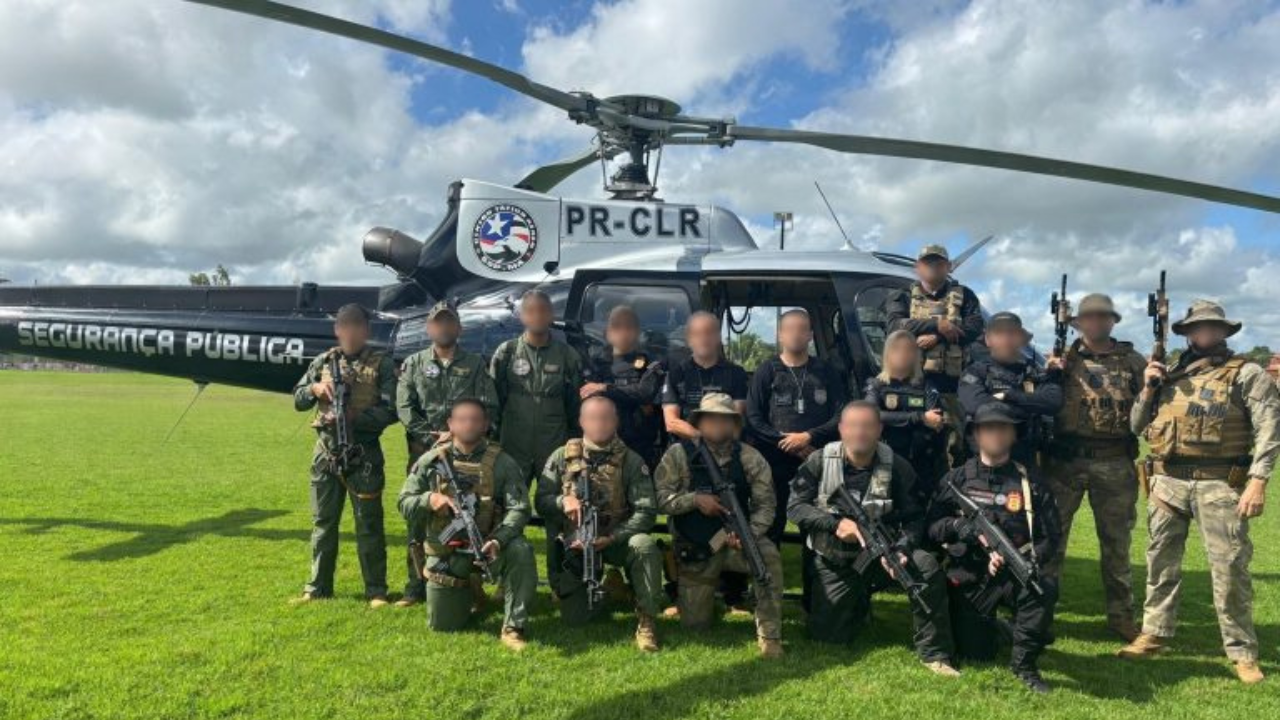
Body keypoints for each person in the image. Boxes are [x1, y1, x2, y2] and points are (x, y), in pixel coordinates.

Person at [1118, 300, 1279, 684]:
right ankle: (1154, 633)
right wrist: (1148, 387)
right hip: (1167, 482)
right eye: (1197, 326)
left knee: (1230, 568)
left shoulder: (1247, 373)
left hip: (1220, 483)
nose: (1204, 332)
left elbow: (1270, 429)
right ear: (1187, 332)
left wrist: (1258, 480)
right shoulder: (1169, 374)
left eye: (1212, 326)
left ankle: (1242, 651)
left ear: (1224, 331)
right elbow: (1135, 426)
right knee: (1160, 562)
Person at [789, 400, 959, 677]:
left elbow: (917, 517)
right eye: (853, 426)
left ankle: (935, 653)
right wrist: (834, 524)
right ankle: (857, 604)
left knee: (926, 567)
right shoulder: (819, 460)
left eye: (867, 426)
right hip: (836, 559)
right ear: (841, 429)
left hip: (884, 557)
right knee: (827, 638)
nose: (860, 432)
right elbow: (795, 507)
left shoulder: (898, 466)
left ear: (879, 430)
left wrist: (903, 547)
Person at [927, 402, 1061, 693]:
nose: (996, 434)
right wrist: (959, 527)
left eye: (1003, 428)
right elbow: (932, 527)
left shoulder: (1031, 481)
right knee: (976, 653)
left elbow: (1051, 536)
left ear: (1014, 434)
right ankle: (1008, 630)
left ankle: (1024, 666)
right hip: (970, 573)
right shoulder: (957, 479)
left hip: (1014, 572)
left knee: (1042, 589)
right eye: (988, 428)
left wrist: (1029, 558)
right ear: (976, 434)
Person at [1043, 294, 1145, 640]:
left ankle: (1121, 617)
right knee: (1052, 541)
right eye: (1089, 317)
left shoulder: (1132, 361)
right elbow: (1043, 399)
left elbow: (1150, 406)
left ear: (1113, 321)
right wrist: (1049, 373)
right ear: (1078, 323)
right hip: (1065, 461)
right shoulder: (1063, 358)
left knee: (1116, 544)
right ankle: (1041, 613)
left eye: (1103, 317)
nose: (1096, 322)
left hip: (1114, 460)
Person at [396, 399, 536, 650]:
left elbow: (520, 508)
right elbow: (403, 502)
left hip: (489, 549)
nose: (468, 425)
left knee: (521, 550)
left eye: (475, 420)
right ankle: (471, 589)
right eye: (462, 420)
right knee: (443, 625)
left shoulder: (503, 462)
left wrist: (499, 540)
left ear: (485, 425)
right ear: (450, 424)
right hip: (447, 552)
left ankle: (513, 627)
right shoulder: (431, 461)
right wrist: (430, 499)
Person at [654, 393, 784, 659]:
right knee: (695, 625)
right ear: (699, 422)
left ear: (734, 425)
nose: (718, 424)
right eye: (711, 418)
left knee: (767, 559)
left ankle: (770, 635)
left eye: (725, 419)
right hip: (698, 547)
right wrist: (694, 500)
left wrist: (749, 534)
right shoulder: (678, 454)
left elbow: (766, 505)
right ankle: (699, 597)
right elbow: (660, 500)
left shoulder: (750, 457)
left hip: (737, 544)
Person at [536, 395, 666, 651]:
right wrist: (563, 501)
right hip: (577, 546)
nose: (599, 424)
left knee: (644, 545)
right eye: (593, 418)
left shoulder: (631, 461)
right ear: (581, 421)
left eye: (606, 418)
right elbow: (541, 500)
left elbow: (646, 511)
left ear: (616, 422)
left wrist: (614, 537)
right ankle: (611, 589)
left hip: (616, 541)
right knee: (576, 619)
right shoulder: (562, 456)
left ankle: (647, 620)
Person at [290, 303, 397, 608]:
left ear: (366, 330)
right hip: (326, 453)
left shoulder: (382, 364)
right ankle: (317, 587)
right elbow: (298, 399)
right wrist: (314, 389)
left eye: (356, 327)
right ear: (337, 330)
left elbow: (392, 410)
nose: (350, 333)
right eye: (345, 327)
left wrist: (355, 419)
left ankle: (376, 590)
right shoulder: (323, 362)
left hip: (364, 455)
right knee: (323, 522)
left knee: (369, 524)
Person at [394, 300, 499, 608]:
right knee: (419, 517)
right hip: (424, 453)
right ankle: (415, 585)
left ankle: (469, 582)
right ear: (429, 328)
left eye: (449, 322)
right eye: (438, 322)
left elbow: (489, 405)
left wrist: (456, 433)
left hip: (465, 454)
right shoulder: (414, 363)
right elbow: (404, 406)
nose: (444, 327)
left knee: (468, 516)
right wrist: (430, 435)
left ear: (459, 328)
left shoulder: (475, 364)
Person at [491, 289, 583, 588]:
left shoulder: (567, 356)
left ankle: (560, 582)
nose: (538, 316)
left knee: (557, 513)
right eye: (531, 311)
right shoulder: (506, 353)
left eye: (543, 310)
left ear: (551, 315)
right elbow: (494, 402)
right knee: (509, 512)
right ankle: (507, 583)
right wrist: (493, 444)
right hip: (513, 447)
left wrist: (574, 446)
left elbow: (575, 406)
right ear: (522, 316)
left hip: (553, 448)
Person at [745, 308, 847, 544]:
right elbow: (753, 418)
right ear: (780, 334)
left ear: (810, 335)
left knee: (816, 524)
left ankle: (815, 568)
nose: (796, 334)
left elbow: (841, 415)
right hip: (775, 461)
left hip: (816, 458)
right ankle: (768, 567)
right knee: (772, 522)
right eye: (790, 329)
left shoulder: (826, 371)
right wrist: (787, 441)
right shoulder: (767, 371)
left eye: (802, 329)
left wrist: (808, 437)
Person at [885, 244, 984, 459]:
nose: (932, 267)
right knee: (911, 445)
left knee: (955, 447)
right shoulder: (902, 296)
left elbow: (975, 327)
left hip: (952, 386)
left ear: (948, 267)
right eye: (927, 262)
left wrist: (939, 337)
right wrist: (937, 325)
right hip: (910, 386)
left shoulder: (965, 296)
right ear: (917, 267)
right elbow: (894, 326)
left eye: (938, 263)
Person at [958, 312, 1063, 467]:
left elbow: (1053, 402)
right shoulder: (975, 372)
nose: (1006, 339)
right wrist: (1029, 406)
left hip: (1026, 461)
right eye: (999, 333)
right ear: (988, 340)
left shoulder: (1033, 372)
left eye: (1012, 333)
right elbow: (976, 405)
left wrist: (1009, 396)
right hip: (983, 466)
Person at [864, 329, 949, 503]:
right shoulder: (877, 385)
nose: (903, 354)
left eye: (908, 349)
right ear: (887, 353)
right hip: (886, 460)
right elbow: (872, 416)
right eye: (897, 349)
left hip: (921, 461)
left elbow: (935, 419)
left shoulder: (926, 385)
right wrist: (919, 417)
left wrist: (893, 418)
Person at [580, 305, 665, 469]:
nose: (623, 332)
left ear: (638, 331)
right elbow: (589, 396)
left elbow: (645, 392)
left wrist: (605, 389)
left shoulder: (650, 362)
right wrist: (629, 396)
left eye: (629, 327)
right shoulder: (595, 363)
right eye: (617, 326)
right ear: (607, 332)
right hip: (603, 444)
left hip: (640, 444)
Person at [662, 311, 750, 442]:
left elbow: (738, 416)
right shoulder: (676, 374)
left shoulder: (736, 373)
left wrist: (715, 442)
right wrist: (700, 438)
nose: (704, 339)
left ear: (718, 337)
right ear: (689, 340)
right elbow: (671, 423)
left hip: (725, 445)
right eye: (697, 334)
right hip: (685, 448)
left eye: (709, 333)